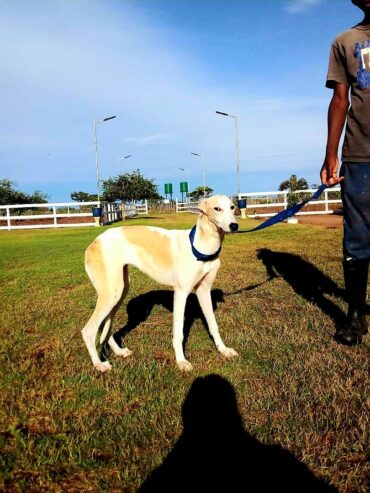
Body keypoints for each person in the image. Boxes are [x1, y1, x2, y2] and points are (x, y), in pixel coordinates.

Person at [321, 0, 370, 346]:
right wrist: (330, 155)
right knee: (357, 238)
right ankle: (354, 316)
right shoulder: (344, 41)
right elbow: (341, 100)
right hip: (359, 156)